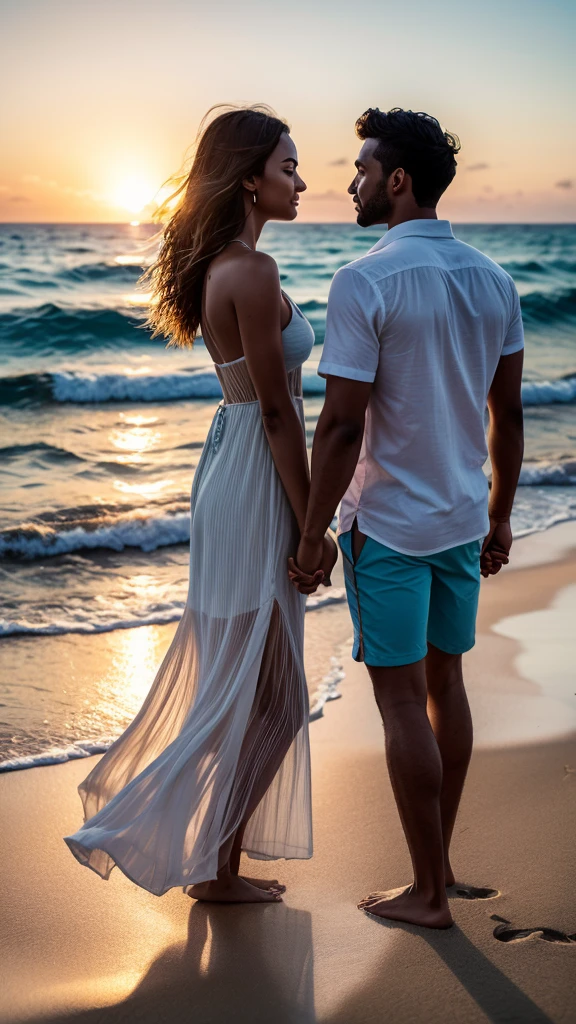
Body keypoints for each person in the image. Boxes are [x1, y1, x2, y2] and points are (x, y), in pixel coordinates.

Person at [65, 106, 337, 903]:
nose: (301, 180)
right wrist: (311, 526)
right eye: (289, 167)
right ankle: (184, 851)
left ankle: (216, 865)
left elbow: (264, 402)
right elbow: (281, 411)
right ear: (251, 178)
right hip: (255, 472)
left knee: (249, 685)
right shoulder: (252, 272)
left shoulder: (224, 264)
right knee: (271, 696)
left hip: (232, 464)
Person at [289, 107, 524, 928]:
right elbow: (508, 414)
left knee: (398, 704)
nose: (349, 183)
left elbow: (342, 423)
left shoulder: (365, 279)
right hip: (461, 516)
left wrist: (314, 529)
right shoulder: (495, 279)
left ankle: (427, 892)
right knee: (445, 683)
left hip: (387, 523)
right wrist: (500, 517)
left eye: (361, 169)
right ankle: (440, 863)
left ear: (397, 181)